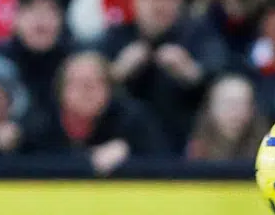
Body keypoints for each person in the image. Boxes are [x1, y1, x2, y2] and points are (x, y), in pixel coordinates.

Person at [100, 0, 230, 149]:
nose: (158, 5)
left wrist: (192, 73)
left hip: (186, 143)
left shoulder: (197, 34)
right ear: (135, 0)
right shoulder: (116, 36)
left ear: (179, 2)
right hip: (122, 147)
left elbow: (221, 77)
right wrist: (117, 73)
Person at [28, 50, 170, 171]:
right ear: (61, 89)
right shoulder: (40, 122)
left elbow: (163, 164)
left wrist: (129, 152)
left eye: (95, 83)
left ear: (109, 89)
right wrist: (85, 159)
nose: (86, 92)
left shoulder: (133, 120)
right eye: (78, 83)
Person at [186, 72, 268, 161]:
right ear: (210, 108)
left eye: (242, 104)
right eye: (227, 103)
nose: (235, 111)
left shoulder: (267, 152)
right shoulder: (195, 152)